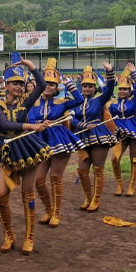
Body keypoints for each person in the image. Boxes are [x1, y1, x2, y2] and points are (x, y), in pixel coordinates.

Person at [0, 54, 50, 255]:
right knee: (1, 196)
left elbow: (40, 85)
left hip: (27, 149)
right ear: (6, 85)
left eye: (21, 83)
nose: (19, 87)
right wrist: (31, 125)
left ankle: (29, 238)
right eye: (15, 83)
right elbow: (4, 124)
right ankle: (9, 235)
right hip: (8, 152)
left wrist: (30, 65)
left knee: (27, 195)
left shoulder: (26, 102)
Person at [29, 59, 84, 227]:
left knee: (55, 177)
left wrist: (69, 84)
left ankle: (56, 213)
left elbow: (80, 98)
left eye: (52, 84)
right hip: (40, 142)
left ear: (56, 87)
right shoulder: (32, 103)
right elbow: (29, 119)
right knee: (38, 180)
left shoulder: (62, 102)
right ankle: (48, 209)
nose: (48, 86)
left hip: (59, 141)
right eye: (45, 83)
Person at [71, 63, 116, 212]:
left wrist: (110, 72)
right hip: (82, 138)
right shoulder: (76, 104)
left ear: (95, 87)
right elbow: (72, 119)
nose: (87, 89)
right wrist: (82, 126)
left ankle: (96, 200)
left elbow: (109, 89)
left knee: (98, 169)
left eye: (90, 86)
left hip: (98, 136)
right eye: (84, 86)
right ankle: (88, 198)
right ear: (81, 87)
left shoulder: (99, 100)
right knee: (82, 171)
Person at [108, 62, 136, 196]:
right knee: (114, 159)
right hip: (119, 133)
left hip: (134, 131)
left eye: (125, 89)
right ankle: (119, 184)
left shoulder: (134, 101)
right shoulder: (112, 105)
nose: (122, 91)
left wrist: (134, 73)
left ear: (129, 91)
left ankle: (131, 185)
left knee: (134, 158)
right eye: (120, 89)